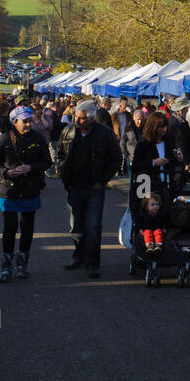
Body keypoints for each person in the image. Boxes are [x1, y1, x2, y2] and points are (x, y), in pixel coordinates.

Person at [56, 98, 122, 279]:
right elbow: (59, 153)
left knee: (93, 226)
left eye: (82, 118)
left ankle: (92, 263)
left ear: (92, 119)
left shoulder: (105, 134)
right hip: (73, 186)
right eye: (76, 117)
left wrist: (103, 179)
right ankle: (79, 255)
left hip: (94, 187)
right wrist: (62, 172)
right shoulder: (68, 131)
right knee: (76, 226)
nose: (77, 121)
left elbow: (116, 159)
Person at [0, 105, 51, 281]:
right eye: (24, 121)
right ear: (14, 121)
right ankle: (6, 264)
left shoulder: (38, 138)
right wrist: (6, 172)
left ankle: (22, 262)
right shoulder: (4, 139)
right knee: (9, 227)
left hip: (30, 188)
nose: (28, 124)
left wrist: (31, 167)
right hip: (9, 190)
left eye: (29, 121)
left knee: (27, 228)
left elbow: (47, 162)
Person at [131, 111, 183, 211]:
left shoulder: (168, 141)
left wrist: (179, 158)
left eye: (165, 126)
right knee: (147, 214)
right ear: (153, 127)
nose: (164, 129)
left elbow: (172, 162)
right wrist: (154, 163)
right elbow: (136, 166)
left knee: (165, 214)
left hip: (166, 185)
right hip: (148, 185)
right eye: (161, 127)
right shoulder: (143, 143)